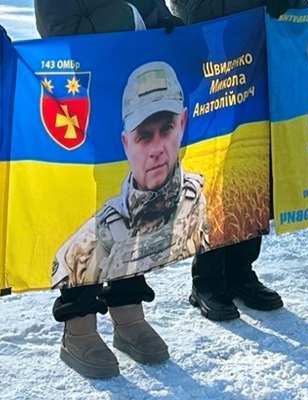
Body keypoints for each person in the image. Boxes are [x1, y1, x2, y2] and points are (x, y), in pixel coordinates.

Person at [33, 0, 181, 379]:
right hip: (85, 111)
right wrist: (122, 17)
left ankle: (128, 315)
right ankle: (78, 331)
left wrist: (176, 33)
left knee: (138, 210)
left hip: (138, 106)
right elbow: (58, 36)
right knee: (89, 218)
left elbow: (157, 17)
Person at [169, 0, 306, 321]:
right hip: (216, 92)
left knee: (254, 183)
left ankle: (244, 271)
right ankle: (207, 281)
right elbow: (194, 12)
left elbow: (295, 7)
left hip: (263, 86)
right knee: (218, 185)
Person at [51, 61, 208, 286]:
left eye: (167, 129)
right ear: (126, 144)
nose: (157, 149)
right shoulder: (83, 249)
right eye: (144, 136)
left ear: (182, 123)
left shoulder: (210, 205)